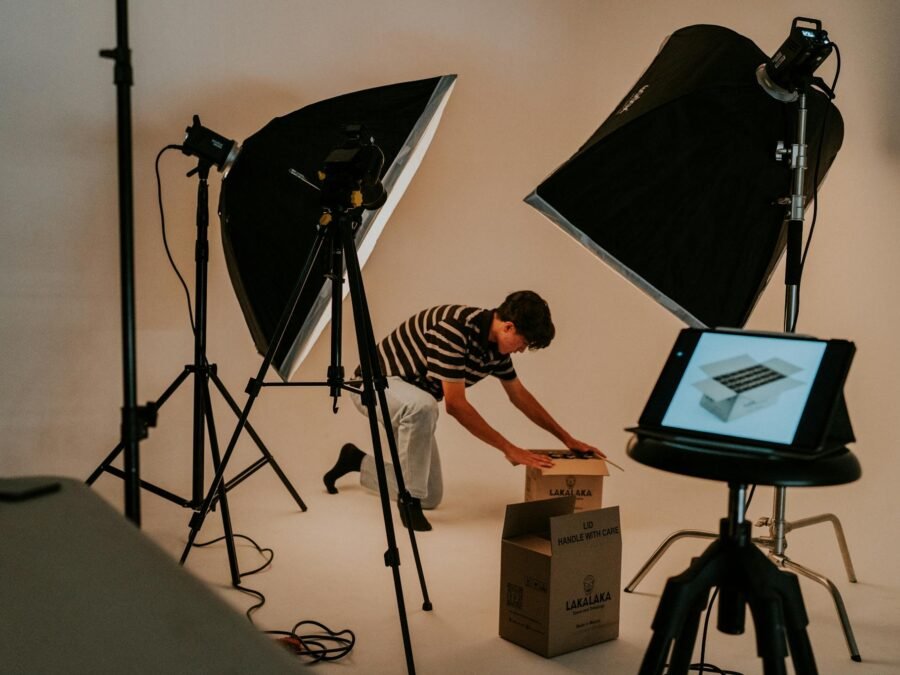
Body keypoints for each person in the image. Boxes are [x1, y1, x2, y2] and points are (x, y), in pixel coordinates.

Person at [323, 290, 604, 531]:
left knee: (430, 495)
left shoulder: (496, 351)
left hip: (412, 403)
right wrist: (508, 447)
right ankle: (409, 504)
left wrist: (567, 439)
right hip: (372, 387)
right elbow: (455, 405)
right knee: (423, 407)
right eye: (524, 343)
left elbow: (520, 396)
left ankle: (355, 461)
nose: (521, 350)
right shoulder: (454, 329)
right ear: (507, 327)